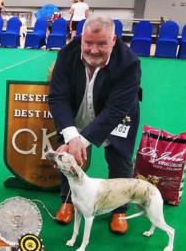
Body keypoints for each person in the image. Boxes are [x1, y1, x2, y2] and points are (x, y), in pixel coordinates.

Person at [48, 15, 141, 234]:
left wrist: (84, 140)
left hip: (116, 114)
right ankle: (68, 201)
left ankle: (119, 209)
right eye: (88, 43)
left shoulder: (129, 63)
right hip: (78, 109)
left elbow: (115, 110)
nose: (94, 49)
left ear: (114, 40)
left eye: (102, 44)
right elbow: (58, 97)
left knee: (120, 159)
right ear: (81, 39)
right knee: (68, 155)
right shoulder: (66, 54)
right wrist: (72, 137)